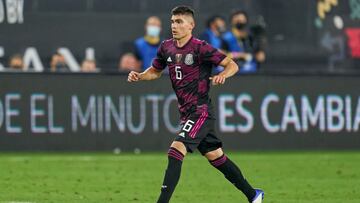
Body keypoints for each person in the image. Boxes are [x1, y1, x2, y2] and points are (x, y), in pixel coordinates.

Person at [128, 5, 264, 203]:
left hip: (201, 111)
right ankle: (253, 195)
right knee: (216, 156)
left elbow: (231, 64)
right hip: (186, 113)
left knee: (176, 149)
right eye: (173, 21)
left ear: (191, 25)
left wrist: (223, 75)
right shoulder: (166, 47)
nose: (174, 26)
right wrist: (140, 76)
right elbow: (155, 71)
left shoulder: (201, 48)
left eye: (180, 22)